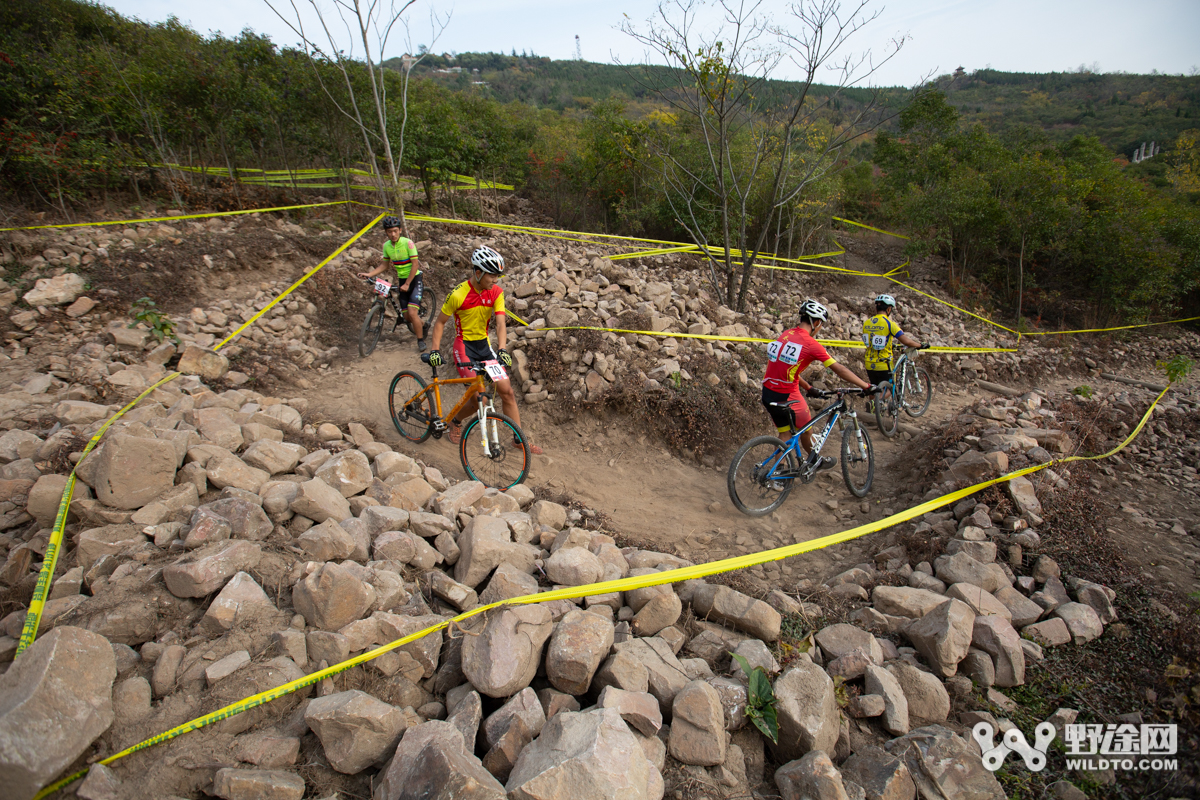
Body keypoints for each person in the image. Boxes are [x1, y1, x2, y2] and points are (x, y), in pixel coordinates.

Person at [423, 245, 543, 454]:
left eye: (498, 275)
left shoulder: (496, 292)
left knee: (508, 393)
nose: (496, 279)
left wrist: (503, 348)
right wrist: (435, 350)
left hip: (484, 347)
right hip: (464, 347)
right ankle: (457, 421)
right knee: (480, 399)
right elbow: (440, 323)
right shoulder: (458, 295)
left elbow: (500, 323)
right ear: (478, 273)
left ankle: (518, 439)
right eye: (492, 275)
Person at [761, 299, 875, 470]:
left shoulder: (786, 334)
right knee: (807, 430)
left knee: (785, 432)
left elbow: (786, 370)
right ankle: (813, 461)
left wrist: (808, 388)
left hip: (768, 392)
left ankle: (780, 470)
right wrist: (866, 385)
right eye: (820, 325)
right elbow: (840, 369)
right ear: (816, 322)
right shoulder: (811, 344)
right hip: (787, 394)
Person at [357, 215, 427, 351]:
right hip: (402, 281)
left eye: (395, 231)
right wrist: (369, 274)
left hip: (414, 280)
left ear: (400, 230)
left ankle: (420, 340)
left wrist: (407, 284)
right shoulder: (387, 246)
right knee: (407, 317)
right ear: (386, 233)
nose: (393, 234)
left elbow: (415, 265)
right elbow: (385, 265)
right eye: (390, 232)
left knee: (412, 313)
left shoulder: (408, 243)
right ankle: (423, 324)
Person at [860, 294, 924, 410]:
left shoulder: (867, 323)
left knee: (874, 387)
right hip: (884, 363)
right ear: (889, 309)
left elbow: (875, 339)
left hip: (869, 362)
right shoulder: (889, 323)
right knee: (890, 388)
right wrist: (919, 345)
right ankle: (875, 403)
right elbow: (906, 341)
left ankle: (873, 411)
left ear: (876, 308)